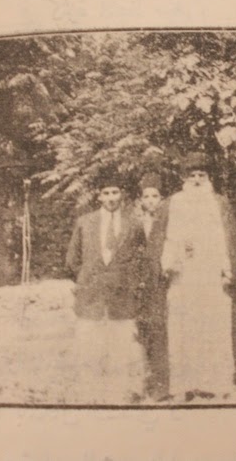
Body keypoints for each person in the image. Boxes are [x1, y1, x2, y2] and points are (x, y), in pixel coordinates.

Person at [160, 153, 236, 401]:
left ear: (209, 178)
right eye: (192, 175)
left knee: (213, 327)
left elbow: (227, 238)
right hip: (184, 274)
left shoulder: (218, 202)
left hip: (211, 274)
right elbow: (167, 237)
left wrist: (227, 269)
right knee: (184, 328)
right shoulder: (174, 202)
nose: (197, 180)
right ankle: (184, 385)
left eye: (202, 175)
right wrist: (169, 262)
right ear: (184, 178)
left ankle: (216, 383)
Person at [65, 169, 146, 404]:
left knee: (120, 348)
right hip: (92, 297)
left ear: (122, 195)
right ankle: (89, 394)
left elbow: (141, 258)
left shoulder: (134, 223)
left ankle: (117, 394)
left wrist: (129, 282)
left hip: (122, 296)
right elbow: (72, 260)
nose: (111, 198)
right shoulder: (85, 222)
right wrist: (89, 280)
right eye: (106, 193)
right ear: (99, 196)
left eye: (115, 192)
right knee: (89, 347)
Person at [135, 173, 170, 401]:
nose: (150, 201)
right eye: (146, 196)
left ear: (162, 199)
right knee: (143, 332)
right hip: (143, 285)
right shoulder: (136, 223)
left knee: (163, 331)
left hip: (164, 283)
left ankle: (163, 383)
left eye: (155, 196)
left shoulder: (169, 221)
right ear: (140, 200)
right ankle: (146, 381)